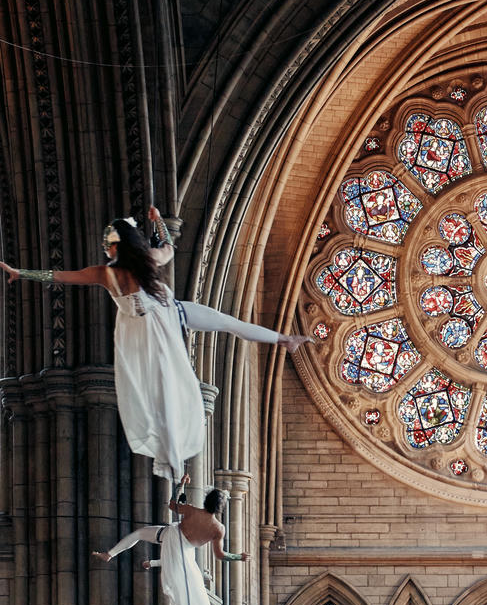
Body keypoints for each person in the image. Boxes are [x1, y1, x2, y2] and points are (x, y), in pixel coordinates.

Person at [0, 206, 311, 484]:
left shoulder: (108, 273)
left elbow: (60, 276)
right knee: (175, 379)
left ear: (116, 245)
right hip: (170, 315)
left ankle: (284, 339)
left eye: (108, 244)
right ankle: (174, 462)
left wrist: (22, 273)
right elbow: (168, 247)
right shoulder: (142, 261)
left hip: (158, 325)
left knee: (207, 341)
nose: (105, 250)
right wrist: (158, 220)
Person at [92, 488, 246, 605]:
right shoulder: (219, 528)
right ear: (221, 507)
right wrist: (238, 557)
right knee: (176, 569)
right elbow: (220, 555)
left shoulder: (192, 510)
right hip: (186, 552)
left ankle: (110, 554)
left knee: (139, 534)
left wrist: (179, 485)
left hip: (172, 539)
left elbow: (171, 504)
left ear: (207, 500)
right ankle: (150, 563)